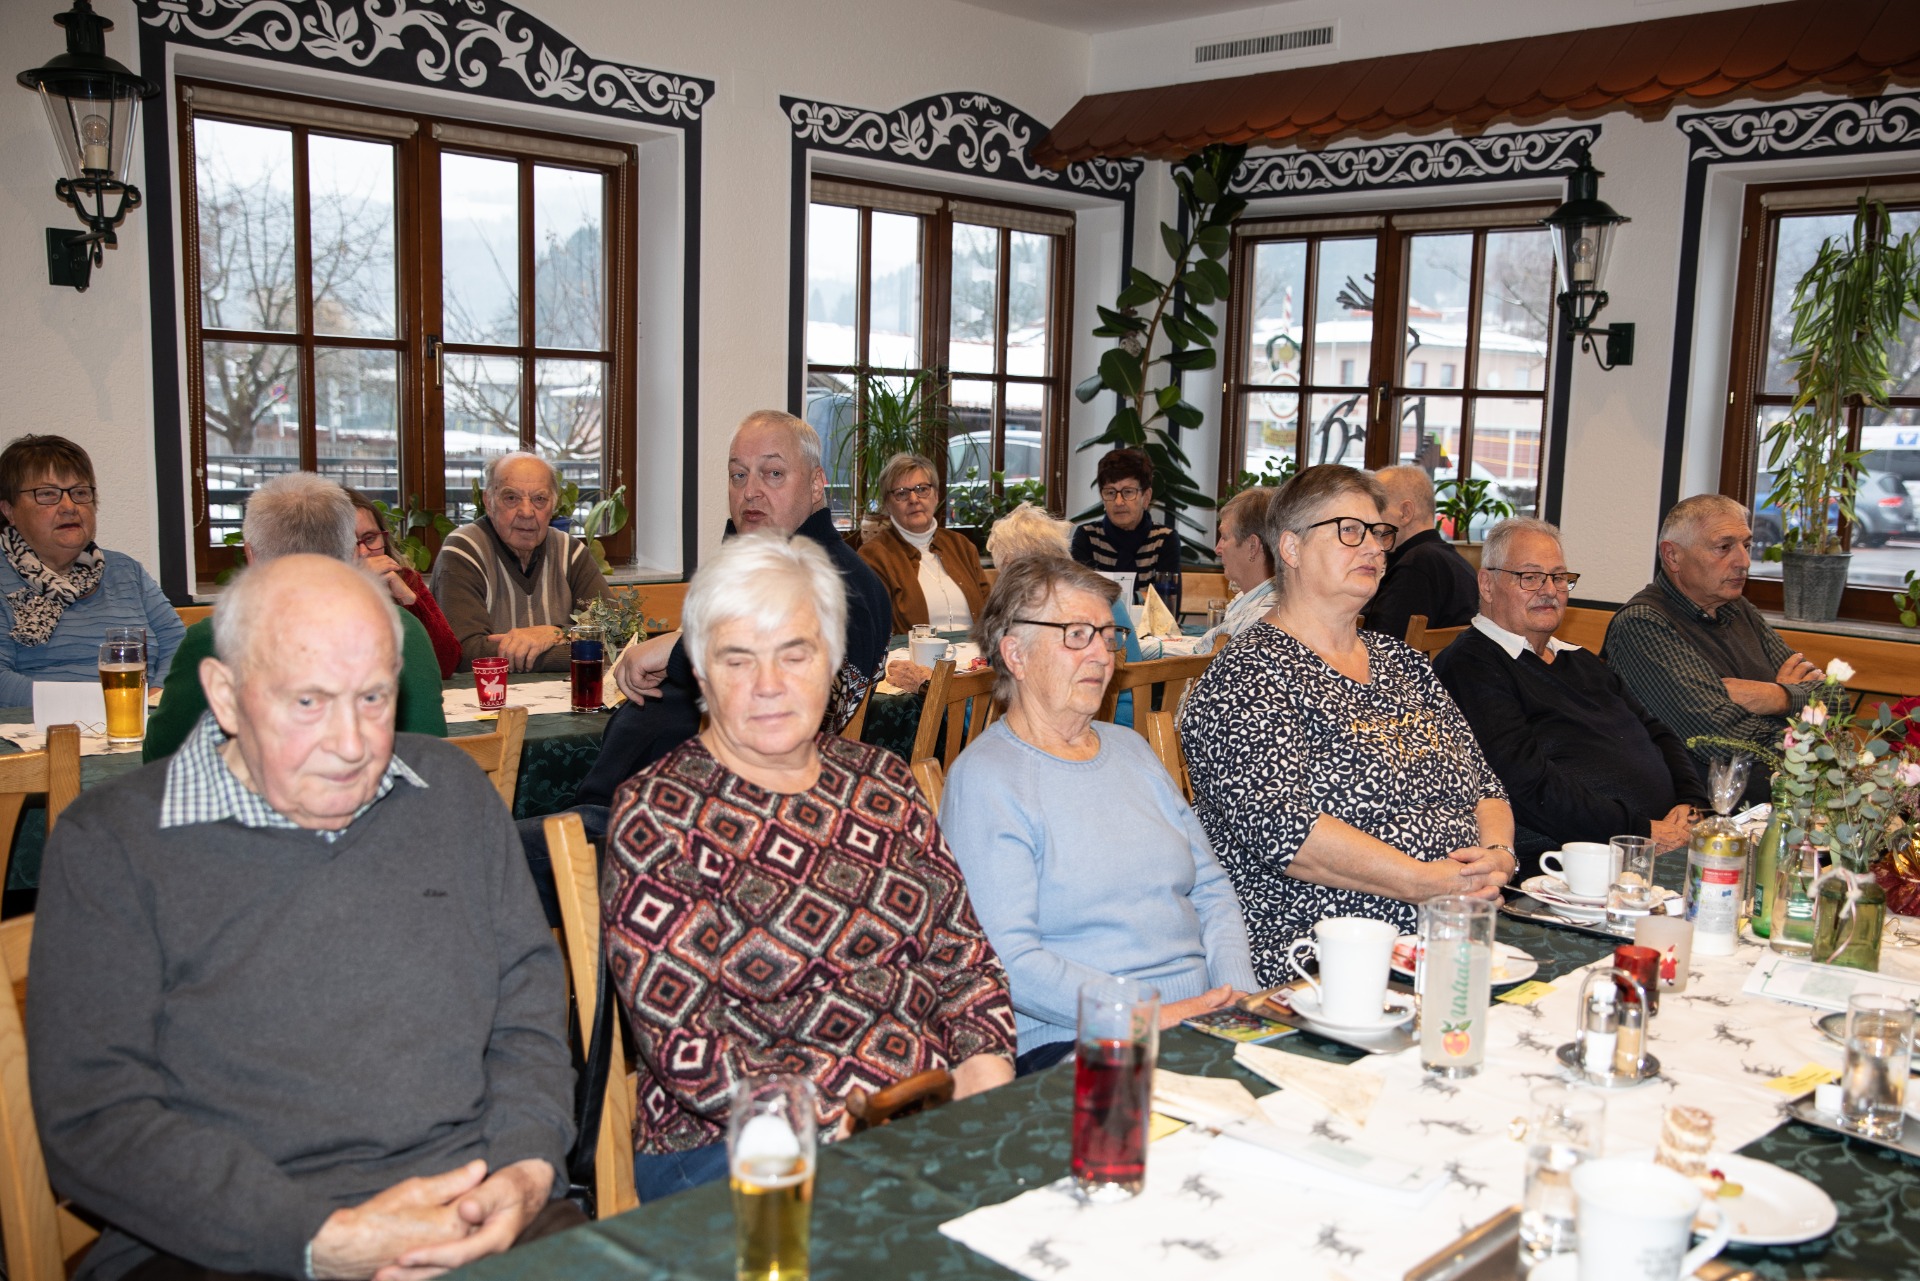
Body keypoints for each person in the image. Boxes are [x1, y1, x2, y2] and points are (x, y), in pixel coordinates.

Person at [30, 555, 578, 1281]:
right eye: (309, 702)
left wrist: (526, 1167)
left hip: (474, 1205)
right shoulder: (113, 841)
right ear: (225, 696)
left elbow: (526, 1017)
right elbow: (95, 1114)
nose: (351, 744)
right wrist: (320, 1239)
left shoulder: (453, 793)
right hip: (220, 1244)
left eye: (374, 697)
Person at [603, 534, 1015, 1200]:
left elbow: (964, 961)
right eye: (738, 658)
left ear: (832, 662)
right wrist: (858, 1113)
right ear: (702, 673)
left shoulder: (883, 781)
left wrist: (984, 1070)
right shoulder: (658, 814)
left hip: (916, 1114)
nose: (769, 685)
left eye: (795, 654)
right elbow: (690, 1050)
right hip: (731, 1142)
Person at [521, 412, 890, 925]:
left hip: (700, 842)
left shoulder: (839, 580)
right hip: (643, 813)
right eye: (738, 475)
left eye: (773, 473)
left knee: (468, 858)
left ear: (816, 483)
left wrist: (681, 646)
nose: (750, 491)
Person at [1176, 464, 1515, 982]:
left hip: (1453, 926)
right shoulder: (1248, 674)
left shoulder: (1402, 662)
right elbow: (1283, 830)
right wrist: (1423, 882)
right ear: (1291, 548)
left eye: (1379, 533)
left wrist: (1497, 856)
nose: (1374, 548)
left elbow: (1485, 786)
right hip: (1320, 950)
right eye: (1350, 531)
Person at [940, 555, 1256, 1075]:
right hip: (1077, 1038)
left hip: (1205, 1014)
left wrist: (1237, 997)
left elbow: (1211, 888)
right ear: (1015, 654)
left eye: (1108, 636)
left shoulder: (1131, 749)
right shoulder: (987, 779)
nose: (1101, 654)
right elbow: (1010, 961)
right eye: (1076, 635)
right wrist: (1152, 1015)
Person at [1433, 518, 1706, 878]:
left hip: (1659, 842)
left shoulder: (1578, 659)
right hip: (1571, 864)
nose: (1549, 590)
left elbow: (1658, 732)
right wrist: (1639, 830)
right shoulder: (1472, 664)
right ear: (1487, 584)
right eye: (1530, 577)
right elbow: (1527, 786)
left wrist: (1691, 803)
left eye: (1559, 577)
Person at [145, 473, 448, 761]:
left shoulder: (215, 638)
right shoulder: (404, 628)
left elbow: (162, 758)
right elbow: (431, 752)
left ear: (251, 555)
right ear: (352, 552)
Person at [1602, 494, 1825, 806]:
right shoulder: (1643, 625)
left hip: (1779, 798)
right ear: (1672, 556)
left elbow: (1834, 700)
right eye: (1724, 547)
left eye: (1746, 545)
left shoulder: (1738, 609)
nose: (1744, 561)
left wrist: (1775, 697)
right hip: (1700, 815)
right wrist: (1802, 718)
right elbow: (1722, 742)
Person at [0, 434, 182, 706]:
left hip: (139, 719)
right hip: (42, 727)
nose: (69, 507)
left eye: (80, 493)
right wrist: (104, 703)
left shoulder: (125, 571)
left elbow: (178, 645)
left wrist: (157, 698)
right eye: (47, 494)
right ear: (9, 510)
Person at [432, 452, 610, 673]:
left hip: (563, 692)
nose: (526, 512)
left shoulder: (570, 552)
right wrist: (576, 646)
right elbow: (466, 652)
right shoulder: (464, 550)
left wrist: (556, 634)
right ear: (489, 502)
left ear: (553, 506)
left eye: (539, 499)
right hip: (485, 693)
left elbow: (615, 634)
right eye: (511, 498)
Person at [857, 451, 990, 634]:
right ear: (887, 504)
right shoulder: (874, 556)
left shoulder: (962, 546)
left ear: (936, 496)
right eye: (902, 493)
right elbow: (878, 628)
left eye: (922, 489)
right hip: (914, 652)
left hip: (976, 650)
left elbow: (991, 612)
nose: (914, 500)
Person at [346, 488, 460, 679]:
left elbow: (447, 663)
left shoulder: (406, 579)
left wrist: (409, 601)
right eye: (350, 543)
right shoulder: (316, 596)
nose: (364, 552)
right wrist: (357, 588)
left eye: (370, 538)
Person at [1364, 464, 1479, 640]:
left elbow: (1380, 643)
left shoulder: (1417, 565)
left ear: (1405, 513)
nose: (1370, 519)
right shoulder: (1453, 562)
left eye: (1377, 509)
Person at [1069, 447, 1181, 582]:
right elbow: (1081, 592)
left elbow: (1167, 594)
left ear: (1146, 497)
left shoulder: (1164, 539)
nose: (1118, 502)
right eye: (1110, 492)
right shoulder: (1087, 537)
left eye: (1128, 492)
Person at [1201, 485, 1278, 649]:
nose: (1217, 549)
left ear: (1253, 546)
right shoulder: (1251, 601)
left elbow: (1200, 658)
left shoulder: (1259, 618)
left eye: (1224, 537)